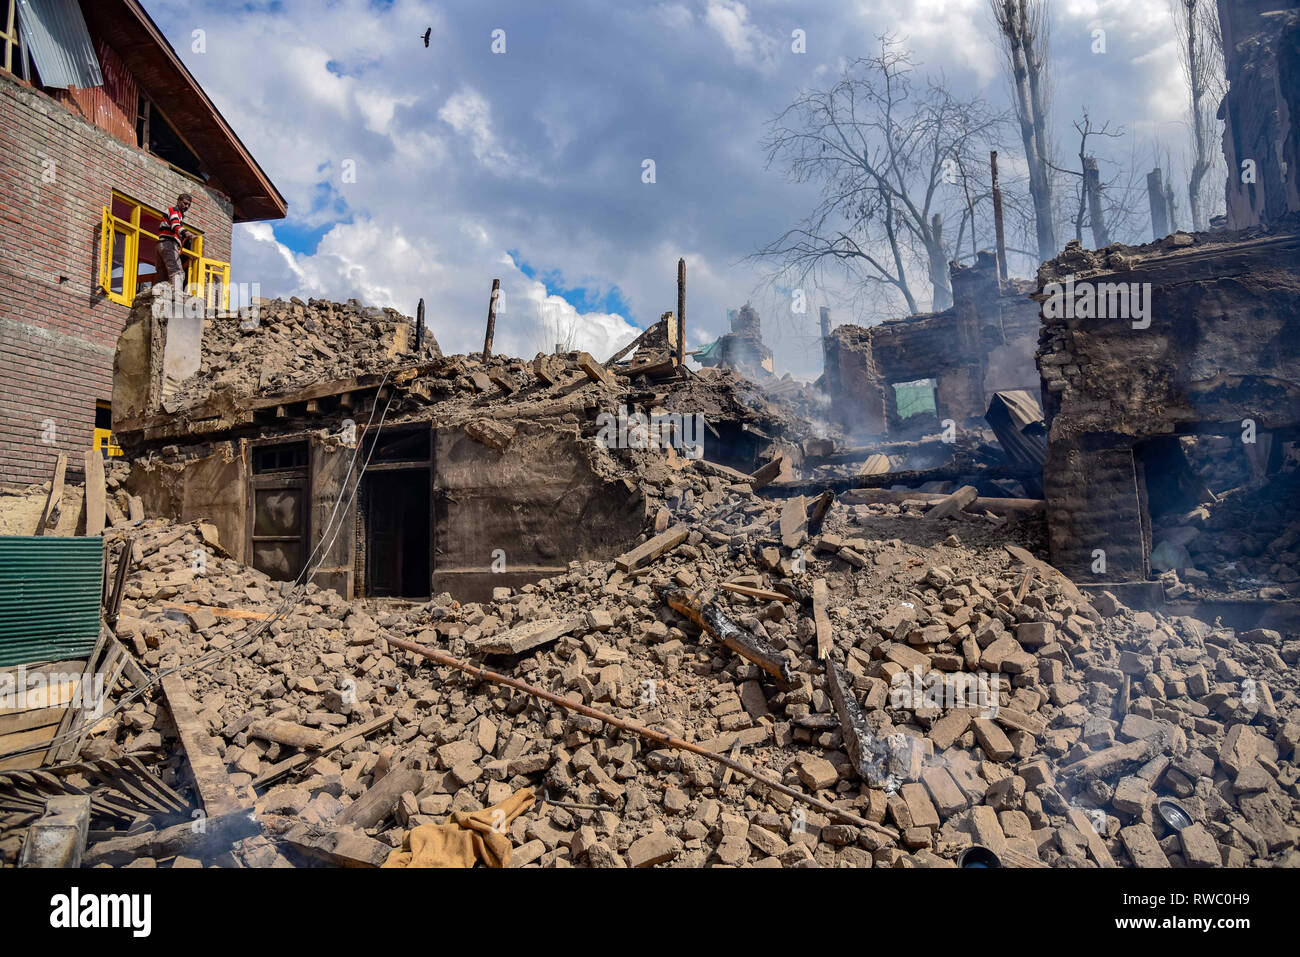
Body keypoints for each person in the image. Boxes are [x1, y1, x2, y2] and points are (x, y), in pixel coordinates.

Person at [156, 192, 193, 288]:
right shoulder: (174, 210)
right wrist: (185, 232)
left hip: (162, 244)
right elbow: (175, 225)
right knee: (178, 273)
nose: (187, 206)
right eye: (185, 203)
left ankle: (157, 293)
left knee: (163, 274)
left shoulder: (176, 213)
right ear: (178, 201)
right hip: (168, 244)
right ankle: (177, 296)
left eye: (189, 205)